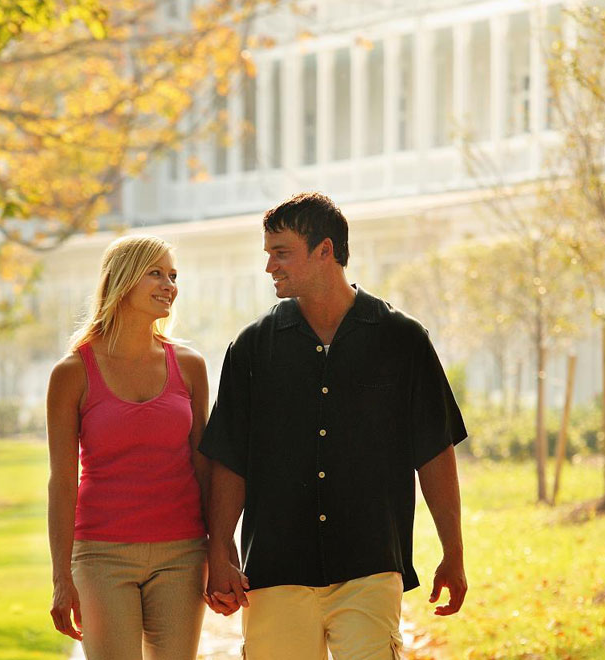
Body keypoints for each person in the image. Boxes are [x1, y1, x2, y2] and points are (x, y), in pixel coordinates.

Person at [200, 192, 468, 659]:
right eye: (268, 254)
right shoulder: (251, 348)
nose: (270, 267)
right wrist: (219, 550)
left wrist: (454, 551)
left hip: (369, 565)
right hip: (276, 568)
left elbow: (434, 451)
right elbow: (230, 458)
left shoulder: (401, 339)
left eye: (281, 253)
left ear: (325, 250)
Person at [46, 235, 213, 660]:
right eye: (155, 273)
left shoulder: (189, 366)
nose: (169, 285)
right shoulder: (72, 373)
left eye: (173, 275)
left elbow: (205, 469)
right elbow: (63, 483)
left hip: (182, 553)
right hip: (102, 557)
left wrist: (220, 552)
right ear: (121, 280)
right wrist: (62, 577)